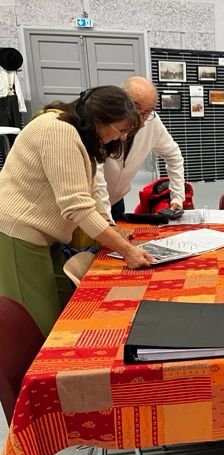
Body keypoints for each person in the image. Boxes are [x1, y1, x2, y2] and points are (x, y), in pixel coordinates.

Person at [0, 86, 155, 337]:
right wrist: (127, 251)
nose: (123, 137)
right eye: (121, 130)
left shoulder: (79, 135)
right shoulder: (58, 132)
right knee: (39, 325)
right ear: (100, 120)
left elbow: (91, 192)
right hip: (19, 233)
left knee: (64, 309)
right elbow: (77, 206)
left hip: (44, 236)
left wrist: (110, 228)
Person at [95, 76, 185, 222]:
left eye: (148, 112)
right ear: (122, 103)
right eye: (136, 110)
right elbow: (96, 176)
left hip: (116, 201)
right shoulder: (104, 123)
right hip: (91, 203)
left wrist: (177, 197)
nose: (141, 121)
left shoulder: (151, 121)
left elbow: (173, 155)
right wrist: (107, 223)